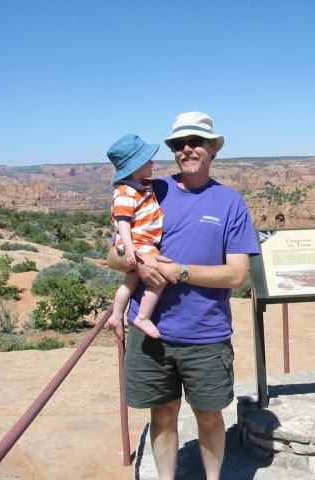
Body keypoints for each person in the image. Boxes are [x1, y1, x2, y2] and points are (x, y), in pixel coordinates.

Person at [107, 112, 259, 480]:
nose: (186, 149)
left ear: (213, 149)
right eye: (178, 143)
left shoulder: (230, 202)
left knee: (208, 416)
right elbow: (113, 255)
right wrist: (141, 263)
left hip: (205, 335)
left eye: (195, 142)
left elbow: (237, 275)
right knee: (162, 413)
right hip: (151, 333)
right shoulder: (150, 190)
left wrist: (181, 271)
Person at [106, 134, 165, 339]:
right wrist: (129, 247)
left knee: (130, 280)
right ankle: (143, 317)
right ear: (136, 166)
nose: (152, 163)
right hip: (139, 244)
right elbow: (123, 221)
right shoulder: (126, 192)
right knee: (160, 278)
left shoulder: (141, 187)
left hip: (140, 243)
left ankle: (116, 315)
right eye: (147, 160)